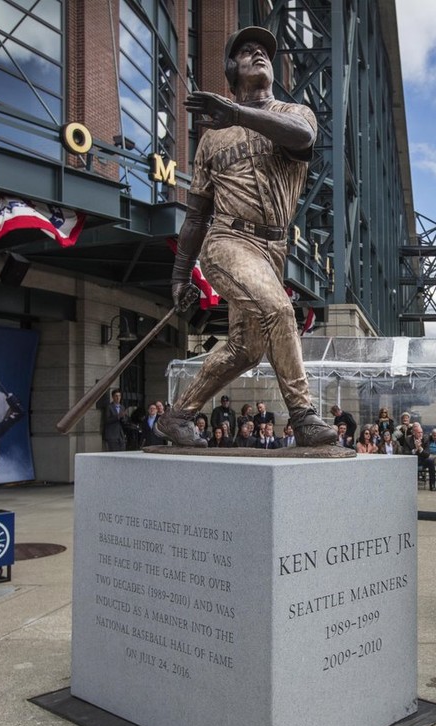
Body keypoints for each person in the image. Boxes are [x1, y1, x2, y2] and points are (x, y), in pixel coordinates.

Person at [155, 25, 336, 449]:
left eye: (263, 52)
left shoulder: (295, 113)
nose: (257, 55)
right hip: (227, 242)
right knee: (278, 309)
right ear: (231, 72)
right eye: (246, 52)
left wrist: (236, 114)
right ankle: (304, 416)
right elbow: (196, 215)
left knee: (245, 349)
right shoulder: (212, 140)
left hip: (272, 247)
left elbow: (303, 140)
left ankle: (177, 416)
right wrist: (181, 275)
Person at [401, 422, 436, 491]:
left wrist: (420, 449)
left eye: (421, 432)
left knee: (431, 461)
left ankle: (432, 485)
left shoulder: (425, 439)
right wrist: (415, 450)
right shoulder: (407, 439)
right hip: (411, 460)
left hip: (422, 459)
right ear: (413, 433)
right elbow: (405, 453)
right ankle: (410, 485)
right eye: (418, 433)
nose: (421, 434)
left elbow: (427, 454)